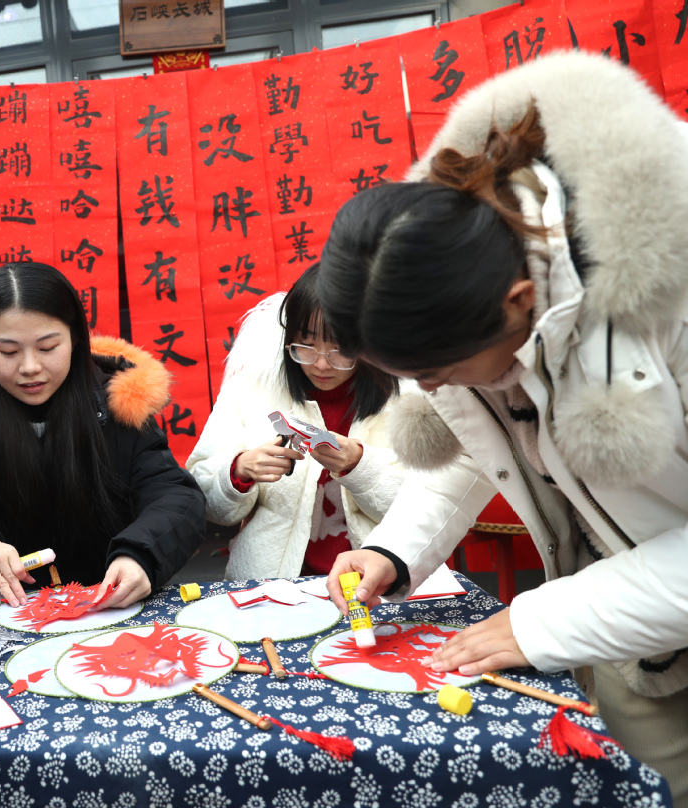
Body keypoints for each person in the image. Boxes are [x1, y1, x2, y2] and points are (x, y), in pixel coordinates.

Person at [317, 51, 688, 803]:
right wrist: (395, 548)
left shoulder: (665, 291)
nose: (428, 391)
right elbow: (492, 428)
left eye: (439, 373)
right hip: (639, 628)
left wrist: (542, 621)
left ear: (520, 301)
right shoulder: (481, 277)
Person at [0, 262, 205, 608]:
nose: (29, 367)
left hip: (107, 607)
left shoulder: (118, 404)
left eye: (48, 347)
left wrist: (140, 554)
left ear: (75, 338)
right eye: (8, 352)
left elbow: (177, 499)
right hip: (6, 614)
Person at [186, 265, 402, 580]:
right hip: (274, 588)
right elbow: (204, 499)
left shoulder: (403, 396)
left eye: (339, 351)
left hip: (379, 586)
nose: (320, 364)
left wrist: (359, 464)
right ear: (288, 341)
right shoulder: (251, 388)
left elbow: (428, 505)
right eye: (306, 346)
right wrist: (240, 469)